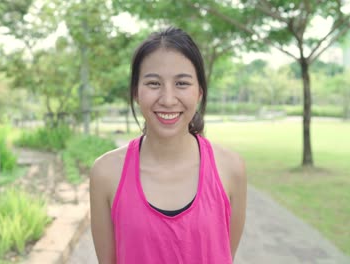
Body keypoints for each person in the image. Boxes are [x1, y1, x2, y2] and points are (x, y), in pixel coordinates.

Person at [89, 26, 247, 264]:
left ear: (200, 92)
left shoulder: (231, 168)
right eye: (154, 84)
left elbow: (224, 255)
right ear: (135, 92)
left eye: (182, 84)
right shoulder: (106, 173)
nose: (168, 99)